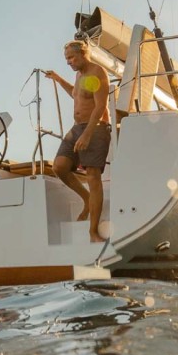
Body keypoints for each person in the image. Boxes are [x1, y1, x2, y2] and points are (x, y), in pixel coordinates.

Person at [45, 40, 111, 242]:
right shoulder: (79, 75)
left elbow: (100, 107)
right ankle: (87, 198)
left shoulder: (96, 73)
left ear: (83, 54)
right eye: (66, 59)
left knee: (92, 176)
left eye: (71, 57)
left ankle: (93, 232)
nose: (69, 62)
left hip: (96, 128)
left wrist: (87, 134)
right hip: (77, 128)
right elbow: (76, 93)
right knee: (59, 166)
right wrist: (57, 79)